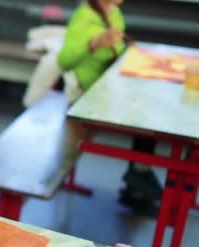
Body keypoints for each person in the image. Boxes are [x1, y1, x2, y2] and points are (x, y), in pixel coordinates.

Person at [58, 0, 161, 215]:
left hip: (106, 88)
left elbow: (117, 51)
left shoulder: (114, 12)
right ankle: (138, 182)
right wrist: (93, 44)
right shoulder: (84, 17)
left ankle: (138, 180)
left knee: (148, 114)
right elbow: (64, 61)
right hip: (86, 95)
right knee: (146, 120)